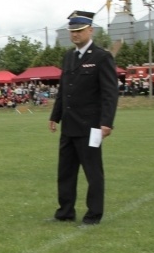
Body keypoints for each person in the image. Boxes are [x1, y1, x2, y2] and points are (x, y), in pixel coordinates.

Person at [48, 11, 119, 225]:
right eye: (72, 31)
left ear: (90, 30)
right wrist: (55, 116)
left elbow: (109, 92)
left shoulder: (101, 57)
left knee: (93, 172)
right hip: (69, 125)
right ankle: (65, 212)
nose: (75, 35)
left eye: (79, 31)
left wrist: (107, 122)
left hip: (91, 127)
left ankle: (94, 214)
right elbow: (64, 91)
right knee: (65, 172)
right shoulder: (69, 57)